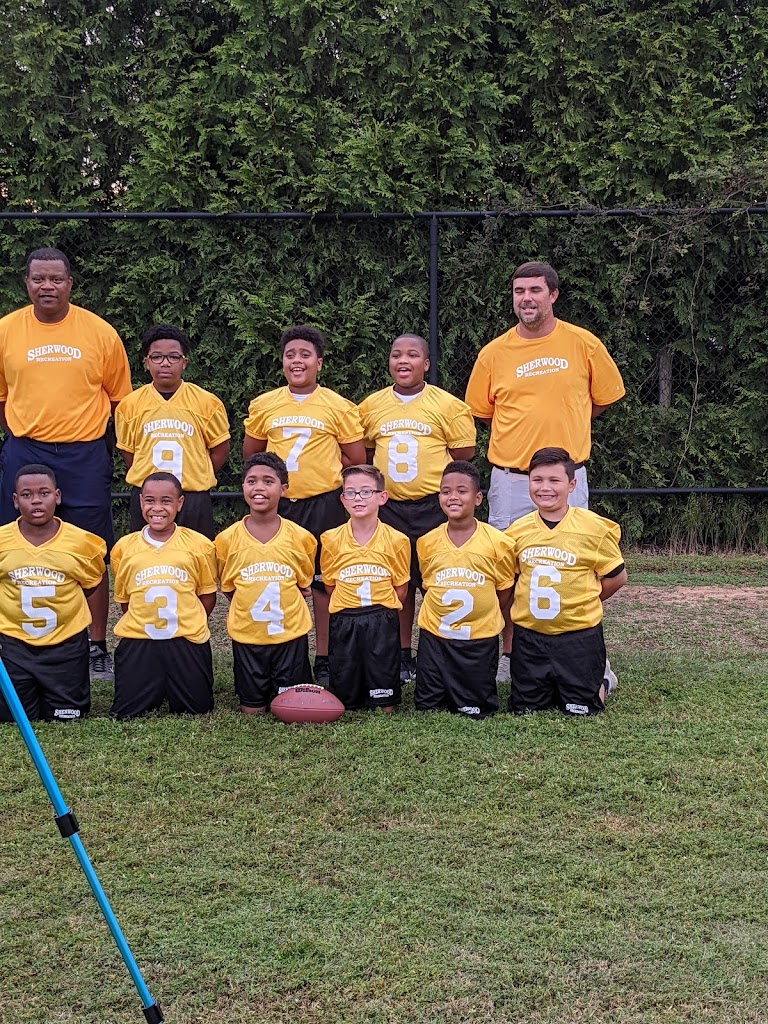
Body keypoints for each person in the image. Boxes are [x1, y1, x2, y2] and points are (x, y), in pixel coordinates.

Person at [464, 260, 625, 682]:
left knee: (577, 565)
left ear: (553, 294)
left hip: (567, 477)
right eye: (519, 291)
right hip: (512, 478)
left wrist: (566, 427)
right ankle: (510, 655)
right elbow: (483, 412)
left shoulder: (584, 343)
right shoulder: (494, 353)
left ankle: (589, 654)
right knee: (508, 570)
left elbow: (601, 400)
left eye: (535, 290)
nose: (526, 298)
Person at [0, 247, 132, 683]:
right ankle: (13, 641)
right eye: (39, 279)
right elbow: (2, 399)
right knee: (12, 545)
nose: (47, 286)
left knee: (92, 549)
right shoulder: (6, 330)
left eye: (56, 279)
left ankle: (95, 647)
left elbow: (120, 401)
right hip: (26, 450)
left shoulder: (99, 332)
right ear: (26, 283)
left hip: (84, 454)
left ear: (70, 284)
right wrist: (24, 435)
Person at [242, 325, 366, 685]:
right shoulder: (264, 404)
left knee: (324, 584)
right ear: (282, 361)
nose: (297, 361)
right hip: (279, 507)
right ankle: (280, 652)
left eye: (305, 355)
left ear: (319, 363)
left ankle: (324, 656)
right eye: (290, 355)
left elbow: (355, 459)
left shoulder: (338, 405)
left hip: (323, 504)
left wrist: (322, 475)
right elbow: (254, 456)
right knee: (278, 578)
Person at [358, 333, 476, 684]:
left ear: (426, 363)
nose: (403, 361)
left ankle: (439, 649)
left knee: (436, 580)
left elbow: (463, 455)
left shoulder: (448, 405)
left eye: (412, 355)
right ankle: (401, 654)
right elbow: (365, 452)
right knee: (398, 582)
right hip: (389, 508)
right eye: (396, 355)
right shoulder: (371, 406)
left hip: (433, 508)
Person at [504, 447, 627, 716]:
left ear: (571, 485)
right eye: (537, 480)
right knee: (526, 708)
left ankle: (603, 680)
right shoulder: (516, 532)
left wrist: (588, 599)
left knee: (580, 709)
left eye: (554, 480)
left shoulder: (593, 528)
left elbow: (617, 577)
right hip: (531, 636)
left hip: (578, 635)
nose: (545, 488)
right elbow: (511, 581)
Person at [0, 464, 106, 722]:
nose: (36, 500)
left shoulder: (81, 542)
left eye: (44, 493)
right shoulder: (2, 541)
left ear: (57, 496)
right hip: (13, 642)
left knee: (67, 716)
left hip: (65, 642)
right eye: (27, 495)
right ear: (15, 500)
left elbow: (93, 585)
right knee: (12, 717)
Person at [109, 472, 218, 720]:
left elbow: (207, 597)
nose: (157, 508)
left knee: (197, 708)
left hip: (185, 637)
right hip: (140, 638)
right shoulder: (124, 548)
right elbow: (126, 602)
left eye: (166, 501)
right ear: (140, 502)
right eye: (150, 500)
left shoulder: (199, 545)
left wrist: (187, 622)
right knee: (127, 711)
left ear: (180, 503)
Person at [215, 452, 317, 714]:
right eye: (251, 481)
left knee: (294, 708)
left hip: (290, 636)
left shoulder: (302, 538)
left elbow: (303, 585)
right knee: (253, 709)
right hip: (248, 637)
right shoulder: (226, 540)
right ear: (243, 487)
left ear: (284, 488)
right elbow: (229, 588)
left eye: (268, 481)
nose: (258, 487)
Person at [415, 461, 517, 719]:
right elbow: (429, 587)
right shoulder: (426, 542)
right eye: (446, 491)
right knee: (428, 708)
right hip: (435, 638)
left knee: (476, 710)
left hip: (478, 639)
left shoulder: (498, 543)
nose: (453, 497)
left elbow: (504, 591)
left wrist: (484, 612)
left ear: (478, 498)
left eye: (462, 491)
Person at [115, 323, 230, 540]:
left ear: (184, 363)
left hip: (192, 497)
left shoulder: (207, 402)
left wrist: (196, 473)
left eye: (173, 357)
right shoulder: (129, 405)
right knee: (145, 555)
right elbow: (130, 454)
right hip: (148, 498)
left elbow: (220, 450)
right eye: (157, 357)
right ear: (146, 362)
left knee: (197, 555)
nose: (165, 363)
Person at [320, 465, 411, 712]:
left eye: (366, 491)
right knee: (345, 700)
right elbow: (330, 585)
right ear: (342, 499)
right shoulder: (330, 539)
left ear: (382, 497)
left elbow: (400, 589)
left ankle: (384, 694)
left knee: (385, 702)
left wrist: (380, 610)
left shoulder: (398, 540)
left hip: (381, 618)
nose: (358, 498)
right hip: (345, 618)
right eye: (350, 492)